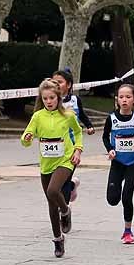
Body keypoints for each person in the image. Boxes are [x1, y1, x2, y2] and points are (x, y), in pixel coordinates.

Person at [22, 79, 84, 258]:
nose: (49, 101)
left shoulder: (68, 115)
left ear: (59, 98)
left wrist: (78, 151)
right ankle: (58, 239)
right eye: (45, 98)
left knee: (52, 190)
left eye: (52, 98)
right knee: (50, 203)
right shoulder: (38, 116)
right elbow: (26, 137)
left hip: (66, 160)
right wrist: (26, 138)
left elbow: (78, 132)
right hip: (46, 163)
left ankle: (65, 211)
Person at [102, 76, 134, 245]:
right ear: (117, 100)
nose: (124, 100)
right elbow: (105, 138)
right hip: (117, 162)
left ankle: (127, 231)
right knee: (112, 199)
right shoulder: (111, 118)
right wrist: (110, 150)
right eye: (121, 97)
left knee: (127, 196)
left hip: (132, 162)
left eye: (128, 97)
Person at [52, 68, 94, 204]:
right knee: (54, 184)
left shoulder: (76, 100)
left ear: (69, 85)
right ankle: (72, 185)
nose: (56, 85)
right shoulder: (50, 101)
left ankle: (64, 212)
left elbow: (81, 114)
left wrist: (89, 126)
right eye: (54, 82)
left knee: (62, 183)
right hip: (55, 147)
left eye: (60, 82)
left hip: (73, 147)